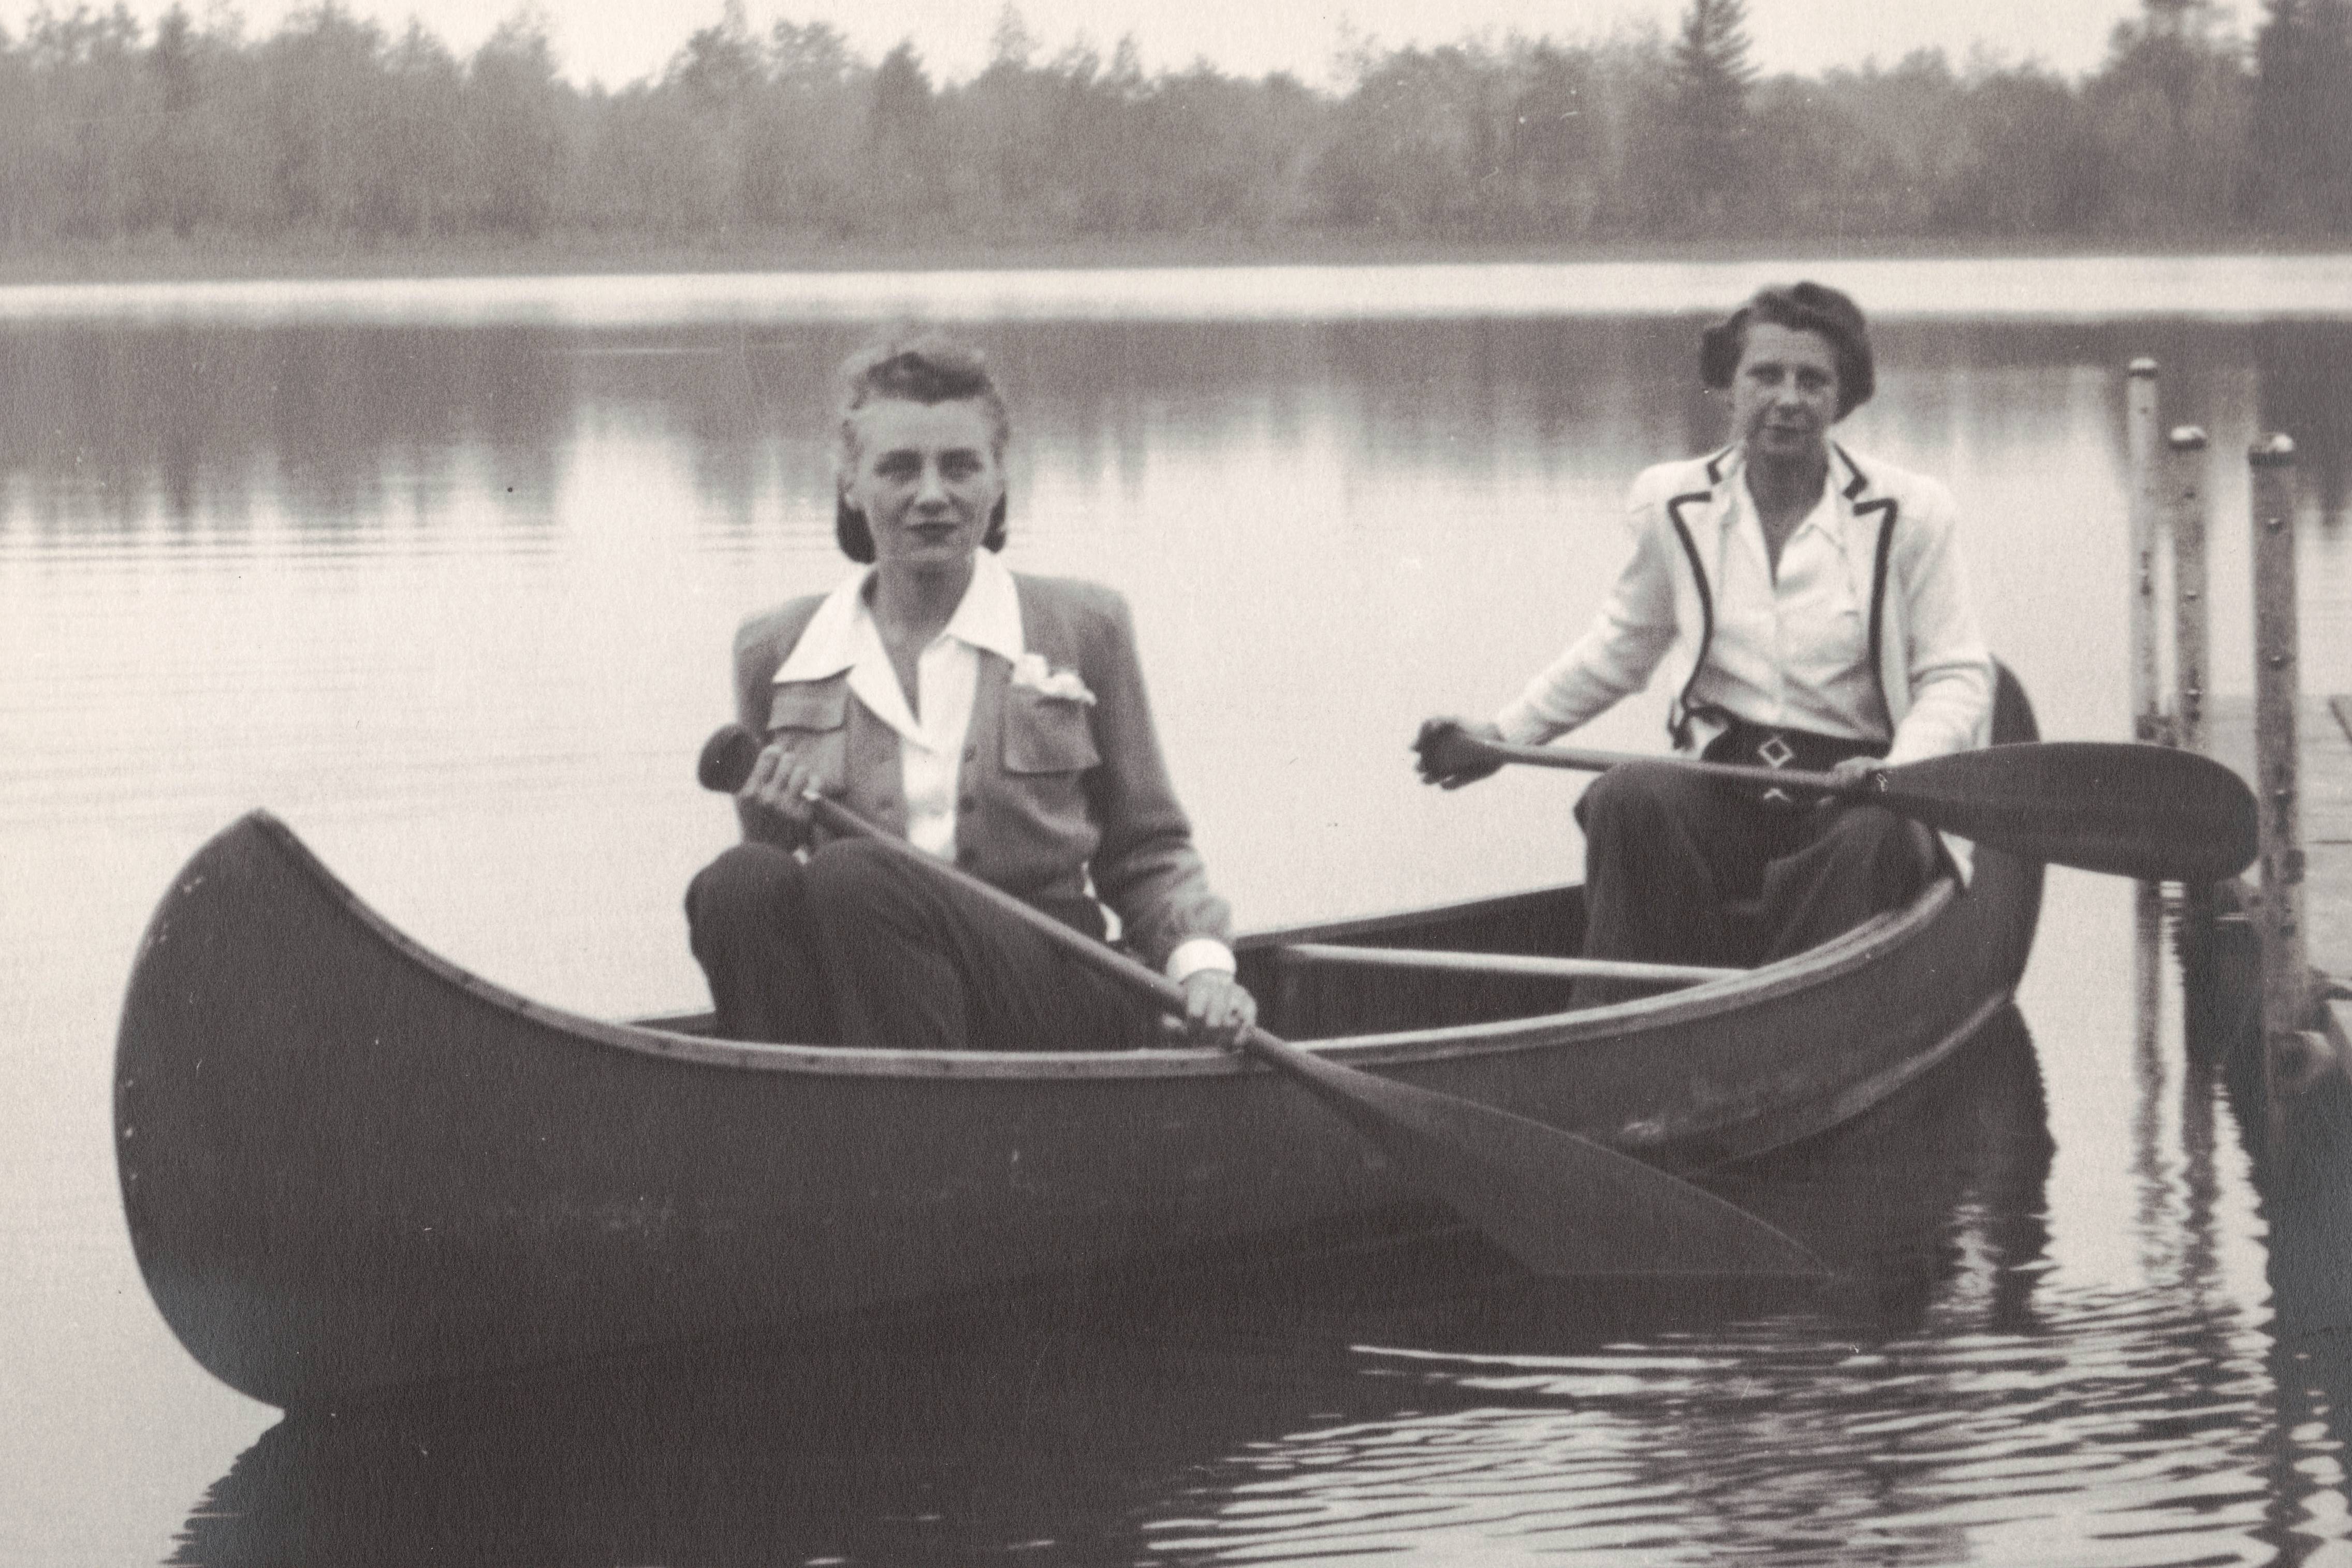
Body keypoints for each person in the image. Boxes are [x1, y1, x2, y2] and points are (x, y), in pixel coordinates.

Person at [1415, 282, 1993, 998]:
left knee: (1872, 839)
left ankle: (1790, 1011)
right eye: (1765, 375)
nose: (1788, 399)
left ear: (1843, 397)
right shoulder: (1673, 502)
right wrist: (1503, 736)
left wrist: (1895, 772)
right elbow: (1620, 648)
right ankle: (1626, 1011)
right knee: (1627, 798)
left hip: (1855, 799)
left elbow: (1957, 677)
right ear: (1728, 387)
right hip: (1728, 790)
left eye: (1813, 381)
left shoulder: (1912, 512)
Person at [687, 333, 1257, 1051]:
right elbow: (776, 868)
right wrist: (771, 830)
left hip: (1052, 986)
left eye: (960, 466)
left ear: (998, 480)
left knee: (856, 875)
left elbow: (1148, 848)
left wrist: (1203, 971)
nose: (932, 495)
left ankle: (920, 1113)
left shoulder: (1086, 627)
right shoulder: (774, 648)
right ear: (851, 483)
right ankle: (799, 1103)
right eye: (899, 468)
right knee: (738, 883)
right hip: (865, 985)